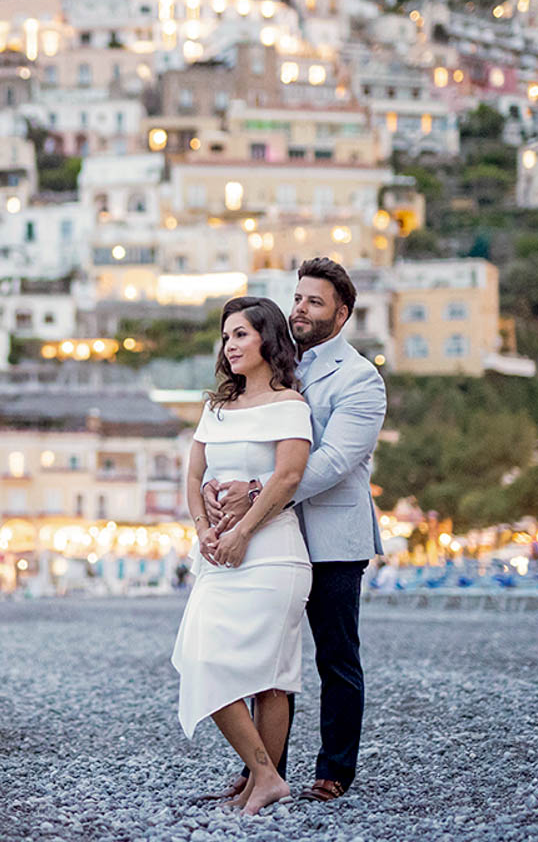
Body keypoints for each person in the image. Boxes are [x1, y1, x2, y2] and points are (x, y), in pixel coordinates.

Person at [203, 257, 386, 803]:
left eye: (315, 302)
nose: (300, 309)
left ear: (342, 313)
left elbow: (332, 463)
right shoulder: (275, 370)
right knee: (266, 657)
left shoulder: (360, 378)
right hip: (271, 538)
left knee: (335, 656)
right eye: (298, 298)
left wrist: (259, 492)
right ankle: (264, 769)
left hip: (330, 538)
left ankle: (334, 771)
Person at [171, 296, 313, 816]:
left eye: (241, 335)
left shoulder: (290, 405)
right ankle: (267, 775)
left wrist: (242, 534)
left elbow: (289, 477)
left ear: (267, 340)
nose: (230, 346)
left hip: (273, 553)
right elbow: (193, 477)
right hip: (219, 557)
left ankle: (261, 785)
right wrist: (206, 527)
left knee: (271, 677)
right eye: (226, 336)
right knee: (201, 658)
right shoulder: (216, 409)